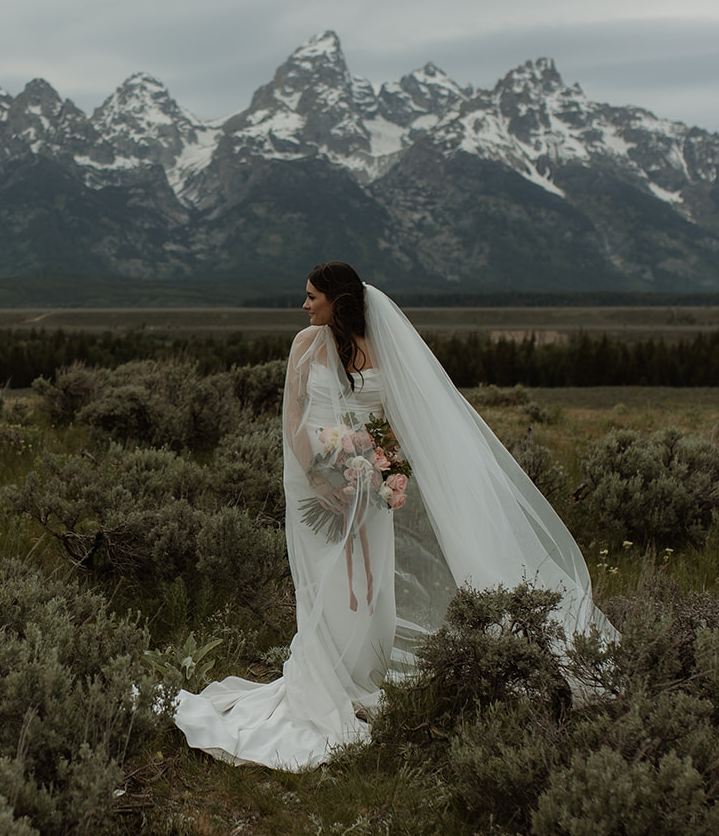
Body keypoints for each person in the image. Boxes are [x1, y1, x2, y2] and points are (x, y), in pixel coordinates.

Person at [174, 261, 609, 770]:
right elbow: (293, 413)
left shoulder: (380, 346)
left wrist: (384, 472)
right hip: (312, 482)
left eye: (313, 296)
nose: (305, 304)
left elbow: (397, 420)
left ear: (338, 300)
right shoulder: (303, 346)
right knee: (326, 582)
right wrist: (318, 476)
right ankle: (326, 677)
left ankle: (364, 676)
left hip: (369, 484)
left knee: (374, 590)